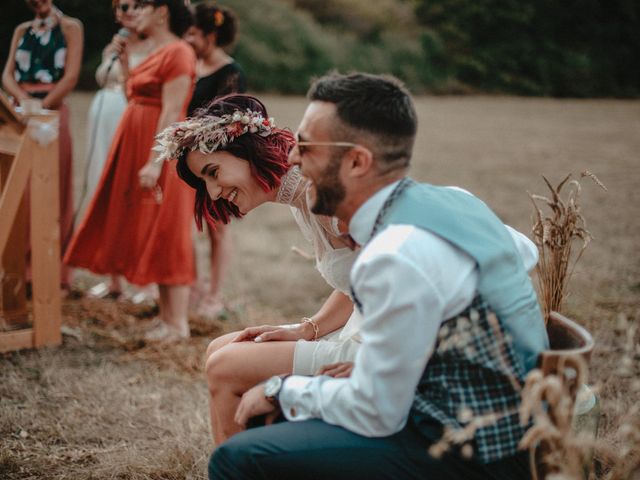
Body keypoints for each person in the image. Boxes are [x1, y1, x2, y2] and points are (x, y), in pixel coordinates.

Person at [207, 72, 550, 479]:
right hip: (514, 425)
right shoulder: (457, 200)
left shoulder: (391, 253)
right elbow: (523, 253)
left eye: (306, 146)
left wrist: (281, 388)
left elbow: (377, 413)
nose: (292, 159)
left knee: (237, 457)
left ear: (356, 161)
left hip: (466, 448)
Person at [64, 0, 196, 342]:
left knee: (167, 231)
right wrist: (124, 64)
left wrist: (156, 160)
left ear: (162, 11)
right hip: (132, 140)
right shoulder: (148, 49)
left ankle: (178, 323)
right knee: (149, 229)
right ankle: (166, 320)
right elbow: (130, 94)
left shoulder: (179, 51)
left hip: (160, 149)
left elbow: (172, 111)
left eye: (143, 5)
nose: (134, 11)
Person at [2, 0, 83, 290]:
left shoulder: (70, 27)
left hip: (51, 112)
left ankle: (49, 270)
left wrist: (41, 108)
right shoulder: (22, 30)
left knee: (51, 188)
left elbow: (71, 75)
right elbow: (7, 74)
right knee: (17, 188)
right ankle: (17, 268)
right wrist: (22, 105)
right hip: (19, 113)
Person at [82, 0, 152, 301]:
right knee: (106, 193)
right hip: (102, 116)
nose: (130, 12)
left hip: (131, 118)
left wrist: (125, 64)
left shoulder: (154, 48)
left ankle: (145, 281)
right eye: (124, 7)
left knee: (134, 198)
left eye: (137, 6)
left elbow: (137, 88)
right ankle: (114, 280)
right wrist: (114, 54)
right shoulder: (114, 45)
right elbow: (101, 78)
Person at [182, 2, 245, 318]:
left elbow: (230, 121)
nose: (188, 39)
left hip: (214, 160)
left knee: (217, 228)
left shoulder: (231, 72)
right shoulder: (189, 64)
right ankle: (194, 285)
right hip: (187, 160)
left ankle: (215, 294)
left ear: (210, 34)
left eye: (193, 33)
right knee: (187, 226)